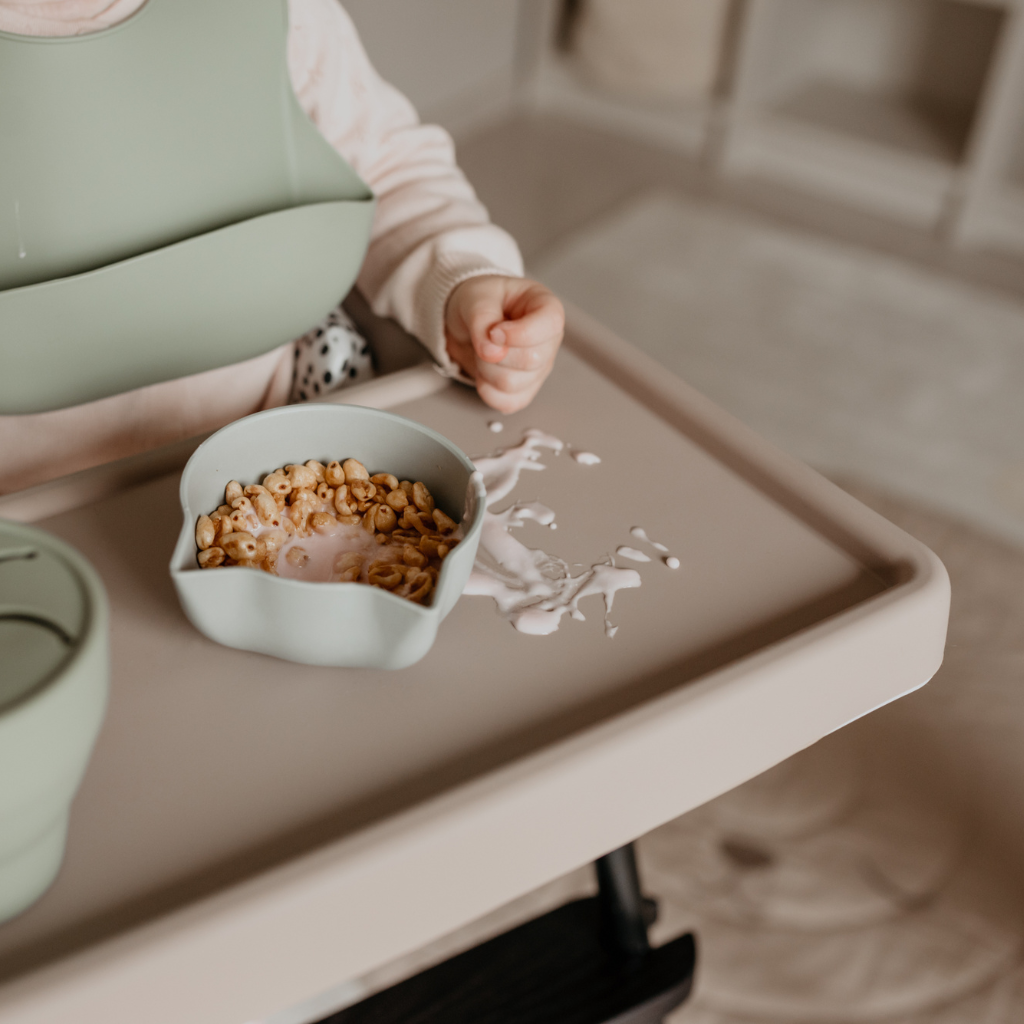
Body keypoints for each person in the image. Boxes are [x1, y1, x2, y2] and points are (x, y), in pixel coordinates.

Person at [0, 0, 564, 492]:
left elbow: (389, 170)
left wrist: (460, 280)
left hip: (272, 452)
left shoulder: (285, 16)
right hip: (28, 500)